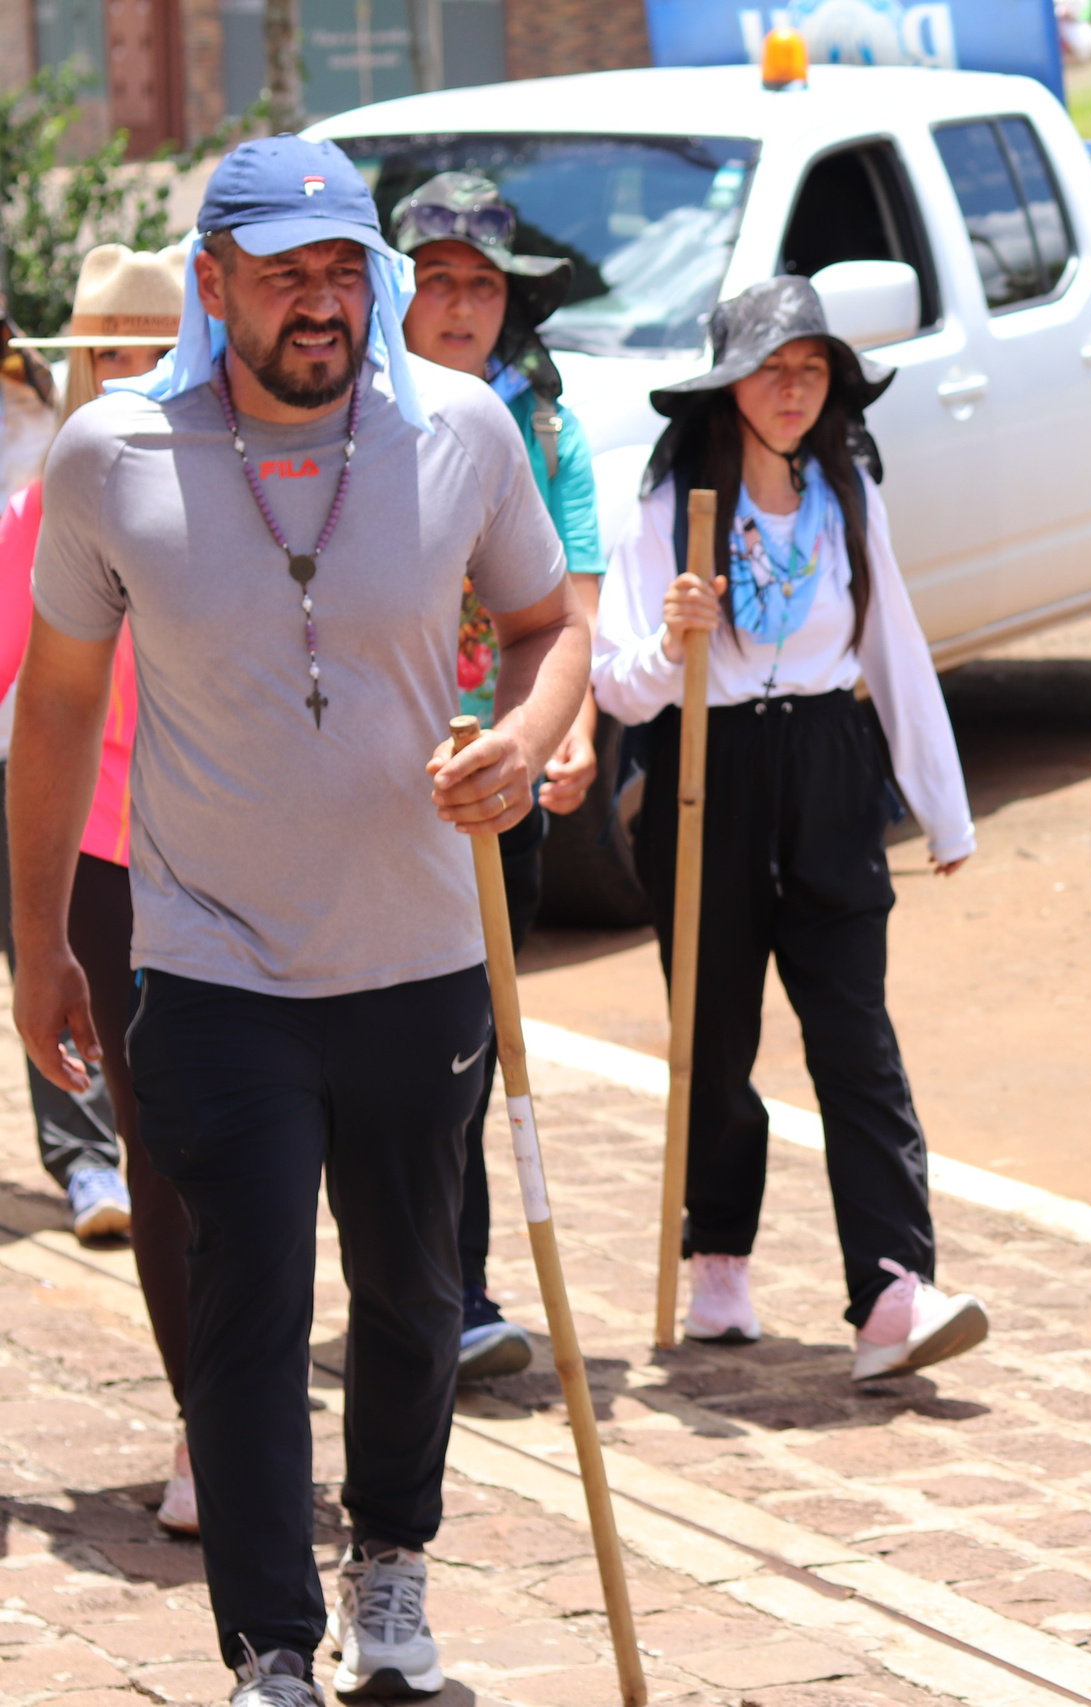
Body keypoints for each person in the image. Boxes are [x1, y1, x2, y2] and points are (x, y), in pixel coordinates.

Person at [10, 136, 587, 1707]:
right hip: (209, 963)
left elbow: (549, 627)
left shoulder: (460, 429)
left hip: (419, 959)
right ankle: (269, 1640)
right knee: (248, 1304)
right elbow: (55, 708)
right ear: (214, 286)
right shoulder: (110, 455)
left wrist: (524, 747)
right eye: (286, 277)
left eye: (345, 274)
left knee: (410, 1293)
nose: (323, 307)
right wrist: (42, 938)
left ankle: (390, 1560)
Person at [593, 274, 987, 1382]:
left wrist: (940, 805)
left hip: (825, 767)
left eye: (812, 370)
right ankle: (717, 1252)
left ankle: (892, 1290)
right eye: (773, 368)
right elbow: (618, 687)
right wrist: (672, 642)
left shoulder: (849, 492)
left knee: (853, 1033)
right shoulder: (671, 501)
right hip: (705, 769)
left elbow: (894, 650)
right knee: (715, 1033)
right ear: (731, 384)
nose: (793, 390)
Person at [391, 171, 605, 1385]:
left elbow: (570, 593)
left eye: (483, 286)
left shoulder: (544, 425)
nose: (462, 307)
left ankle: (457, 1288)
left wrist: (559, 730)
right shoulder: (349, 413)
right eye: (437, 282)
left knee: (473, 1033)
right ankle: (408, 1275)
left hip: (492, 768)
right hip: (370, 772)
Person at [0, 242, 199, 1531]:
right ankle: (210, 1418)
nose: (122, 380)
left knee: (277, 1158)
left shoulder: (247, 487)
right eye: (103, 359)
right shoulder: (40, 514)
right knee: (169, 1157)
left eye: (145, 354)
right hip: (113, 870)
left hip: (258, 865)